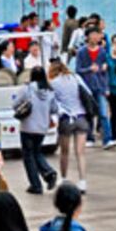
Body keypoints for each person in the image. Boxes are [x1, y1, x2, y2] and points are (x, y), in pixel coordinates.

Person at [50, 60, 90, 192]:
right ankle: (83, 181)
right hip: (81, 117)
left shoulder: (53, 83)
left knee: (64, 152)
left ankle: (64, 177)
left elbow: (53, 103)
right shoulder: (76, 77)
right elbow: (87, 92)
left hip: (66, 119)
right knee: (81, 153)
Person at [19, 67, 59, 194]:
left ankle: (36, 185)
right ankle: (48, 172)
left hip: (27, 127)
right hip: (42, 127)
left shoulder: (27, 88)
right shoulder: (50, 91)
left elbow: (15, 104)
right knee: (37, 152)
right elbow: (54, 109)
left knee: (28, 156)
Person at [74, 28, 115, 148]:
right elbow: (77, 70)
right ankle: (89, 137)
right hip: (87, 87)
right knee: (89, 113)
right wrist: (89, 69)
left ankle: (107, 139)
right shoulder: (82, 52)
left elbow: (105, 71)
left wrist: (107, 86)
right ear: (87, 37)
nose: (96, 37)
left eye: (97, 35)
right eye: (93, 35)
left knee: (103, 113)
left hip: (100, 86)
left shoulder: (102, 51)